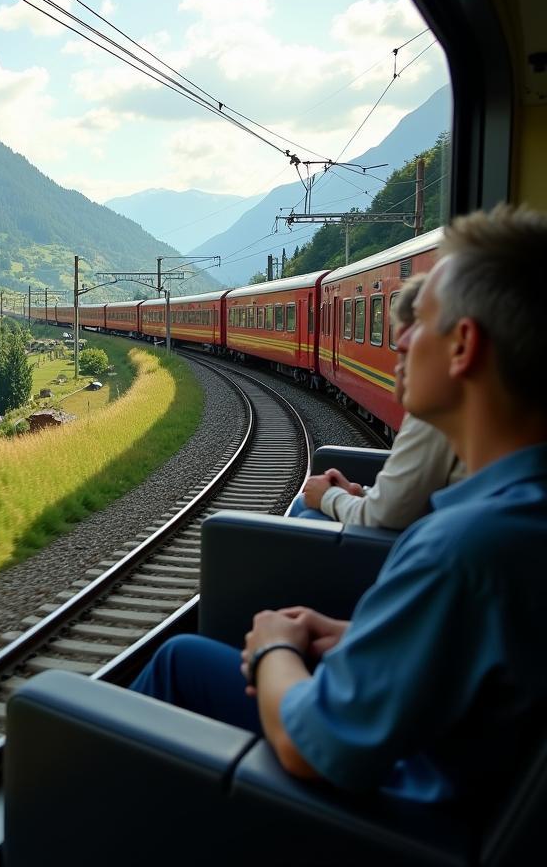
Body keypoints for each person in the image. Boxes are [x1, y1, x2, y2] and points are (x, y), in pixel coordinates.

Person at [131, 205, 547, 804]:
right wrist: (358, 636)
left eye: (419, 321)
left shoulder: (464, 548)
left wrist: (274, 646)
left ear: (463, 347)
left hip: (401, 816)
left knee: (177, 663)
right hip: (460, 782)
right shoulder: (520, 514)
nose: (398, 338)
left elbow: (311, 746)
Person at [288, 273, 465, 529]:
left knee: (307, 510)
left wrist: (330, 496)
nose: (400, 343)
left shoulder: (437, 415)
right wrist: (360, 494)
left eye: (414, 336)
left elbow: (385, 514)